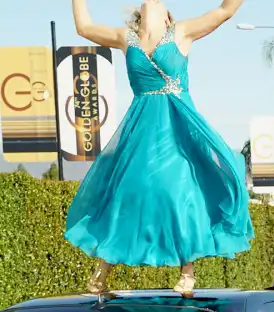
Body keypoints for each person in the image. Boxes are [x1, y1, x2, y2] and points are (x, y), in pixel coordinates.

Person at [65, 0, 253, 296]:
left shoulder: (182, 32)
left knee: (179, 191)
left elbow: (224, 11)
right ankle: (104, 265)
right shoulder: (124, 38)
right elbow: (84, 28)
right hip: (140, 129)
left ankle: (187, 269)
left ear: (167, 18)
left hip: (178, 127)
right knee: (126, 192)